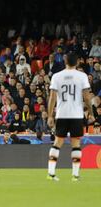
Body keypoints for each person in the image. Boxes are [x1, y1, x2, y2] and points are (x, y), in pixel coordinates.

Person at [47, 53, 94, 181]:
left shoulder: (57, 76)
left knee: (57, 143)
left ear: (65, 61)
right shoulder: (82, 76)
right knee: (76, 144)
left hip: (62, 114)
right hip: (76, 115)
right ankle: (75, 175)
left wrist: (50, 115)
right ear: (77, 62)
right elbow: (87, 97)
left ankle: (51, 173)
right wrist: (91, 112)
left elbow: (52, 97)